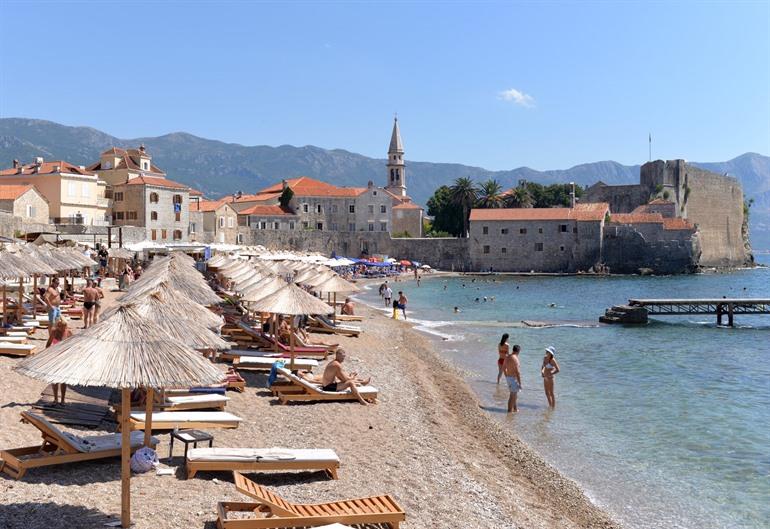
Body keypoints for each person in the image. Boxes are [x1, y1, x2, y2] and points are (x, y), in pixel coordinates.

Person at [300, 349, 371, 405]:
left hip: (328, 384)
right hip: (328, 387)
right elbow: (345, 379)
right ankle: (361, 401)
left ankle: (362, 383)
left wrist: (351, 377)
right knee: (351, 383)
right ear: (338, 356)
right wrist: (352, 377)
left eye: (344, 357)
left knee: (350, 380)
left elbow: (341, 377)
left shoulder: (334, 363)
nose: (343, 359)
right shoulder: (337, 365)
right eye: (342, 357)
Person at [46, 317, 73, 406]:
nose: (63, 328)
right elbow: (48, 344)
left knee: (63, 380)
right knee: (54, 380)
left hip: (65, 359)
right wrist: (47, 354)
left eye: (64, 326)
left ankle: (62, 400)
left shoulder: (68, 332)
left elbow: (73, 344)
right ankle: (55, 399)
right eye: (61, 326)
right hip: (54, 358)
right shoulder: (54, 332)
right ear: (58, 326)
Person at [503, 344, 522, 413]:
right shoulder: (515, 359)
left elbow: (503, 368)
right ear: (518, 351)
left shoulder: (507, 357)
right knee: (512, 395)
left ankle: (515, 409)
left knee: (514, 395)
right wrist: (520, 383)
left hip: (508, 378)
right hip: (513, 378)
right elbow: (518, 372)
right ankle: (509, 411)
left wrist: (506, 376)